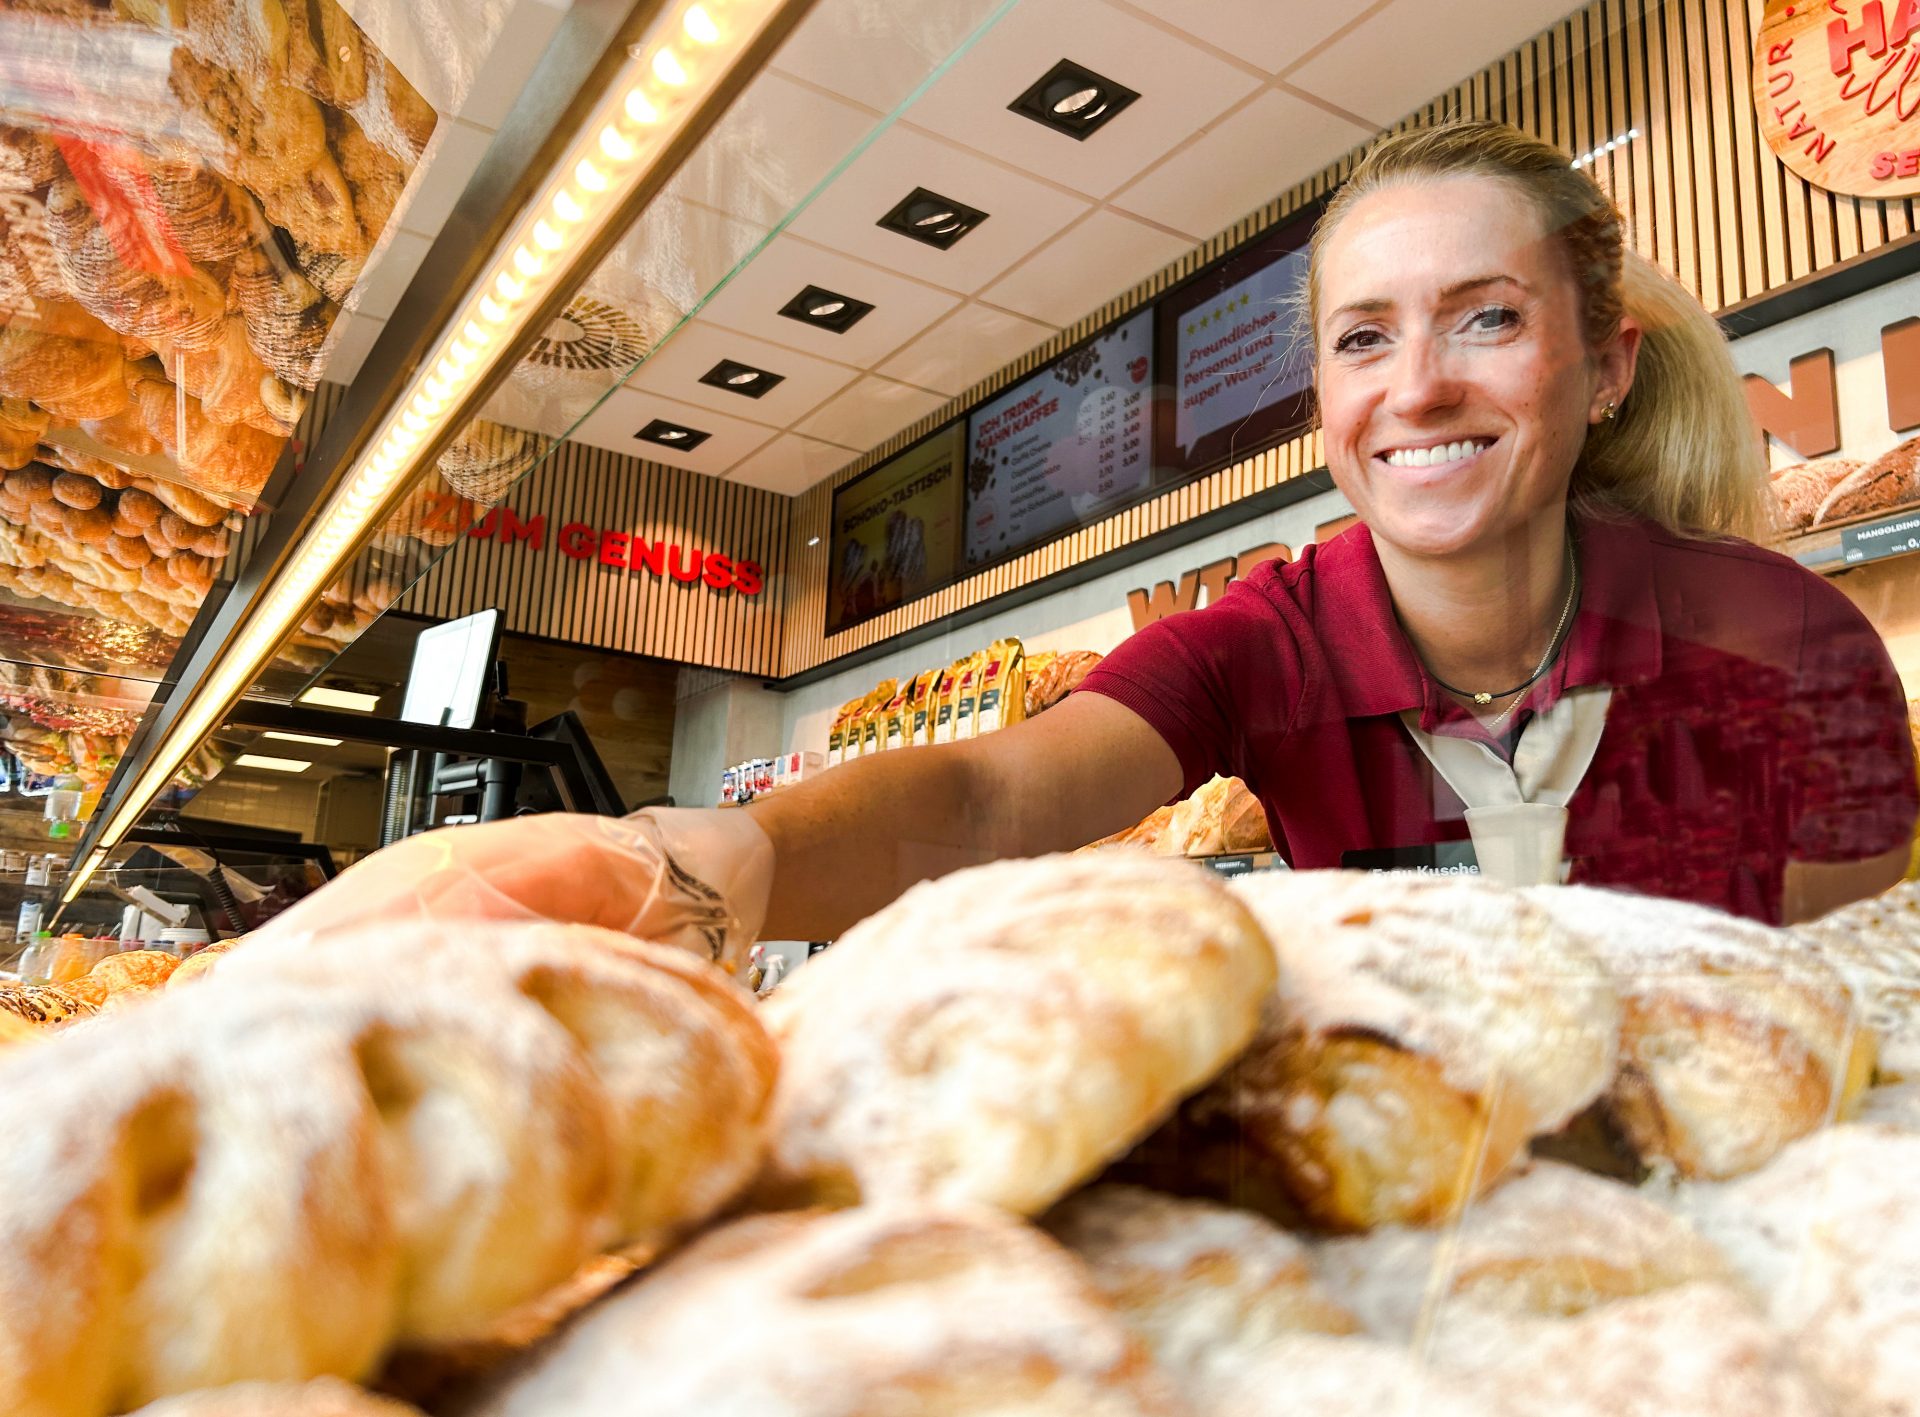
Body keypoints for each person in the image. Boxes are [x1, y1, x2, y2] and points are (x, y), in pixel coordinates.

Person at [262, 120, 1916, 952]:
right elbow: (991, 793)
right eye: (1360, 338)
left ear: (1603, 360)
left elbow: (1863, 968)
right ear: (1322, 396)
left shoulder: (1780, 641)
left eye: (1485, 320)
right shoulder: (1275, 637)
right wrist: (701, 864)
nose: (1415, 388)